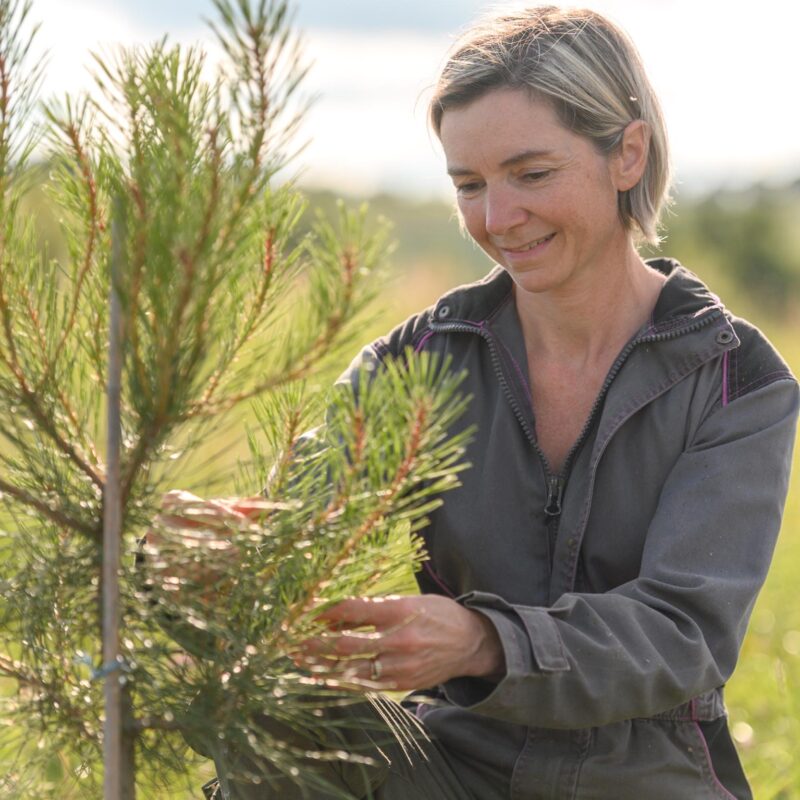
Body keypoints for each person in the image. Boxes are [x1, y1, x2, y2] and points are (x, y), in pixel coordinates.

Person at [196, 6, 799, 799]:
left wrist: (486, 642)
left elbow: (682, 634)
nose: (497, 218)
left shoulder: (736, 381)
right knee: (281, 722)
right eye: (469, 185)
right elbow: (299, 527)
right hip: (447, 763)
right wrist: (193, 556)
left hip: (648, 777)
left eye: (532, 174)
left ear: (627, 152)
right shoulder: (420, 361)